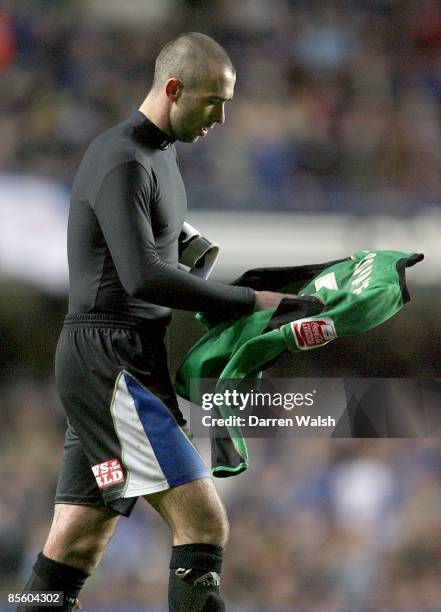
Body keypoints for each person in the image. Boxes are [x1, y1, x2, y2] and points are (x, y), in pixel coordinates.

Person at [19, 32, 295, 612]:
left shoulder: (160, 156)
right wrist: (250, 304)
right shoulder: (121, 157)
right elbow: (142, 277)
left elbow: (154, 250)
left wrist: (197, 255)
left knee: (77, 539)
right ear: (173, 89)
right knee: (203, 522)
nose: (221, 117)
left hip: (124, 359)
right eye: (213, 102)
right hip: (111, 363)